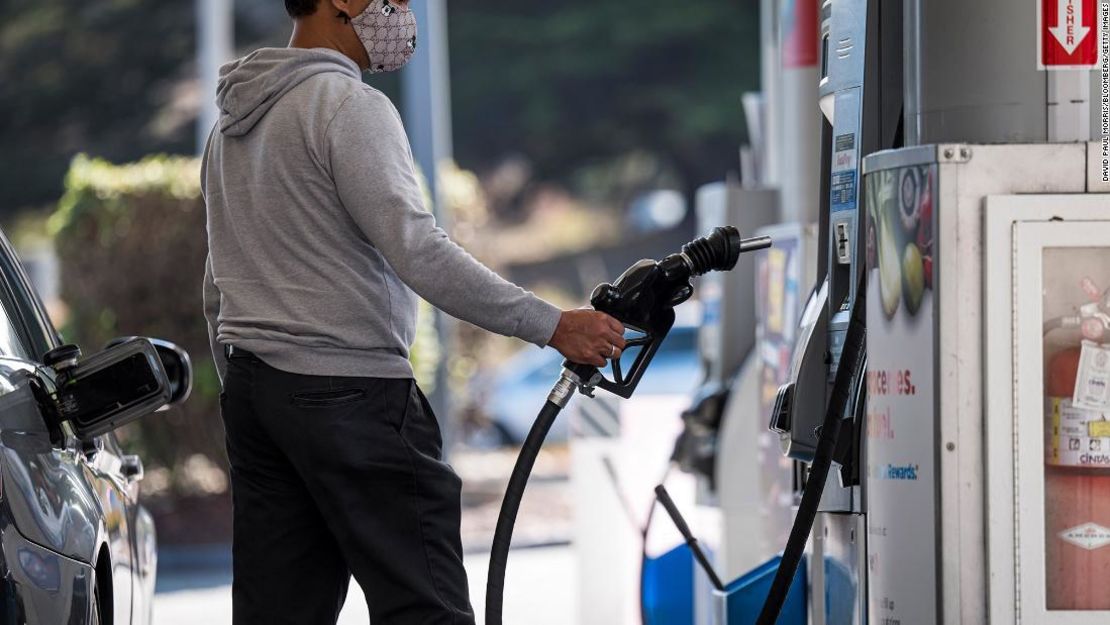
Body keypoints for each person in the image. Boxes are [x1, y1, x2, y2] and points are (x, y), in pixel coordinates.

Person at [200, 1, 626, 623]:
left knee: (280, 612)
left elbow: (218, 282)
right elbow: (419, 250)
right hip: (350, 391)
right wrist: (553, 325)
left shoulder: (230, 127)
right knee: (424, 607)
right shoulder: (348, 107)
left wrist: (240, 383)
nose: (402, 13)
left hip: (256, 394)